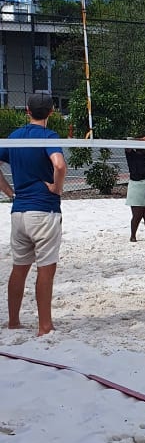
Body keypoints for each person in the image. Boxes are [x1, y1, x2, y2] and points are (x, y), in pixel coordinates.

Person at [0, 92, 67, 336]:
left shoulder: (14, 137)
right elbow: (59, 164)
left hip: (19, 212)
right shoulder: (49, 136)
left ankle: (14, 321)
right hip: (44, 210)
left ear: (27, 111)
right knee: (45, 269)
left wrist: (9, 192)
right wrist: (57, 188)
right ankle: (44, 326)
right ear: (51, 112)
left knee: (19, 268)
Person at [125, 137, 145, 242]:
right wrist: (140, 139)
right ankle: (133, 236)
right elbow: (127, 142)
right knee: (137, 215)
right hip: (136, 185)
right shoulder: (132, 155)